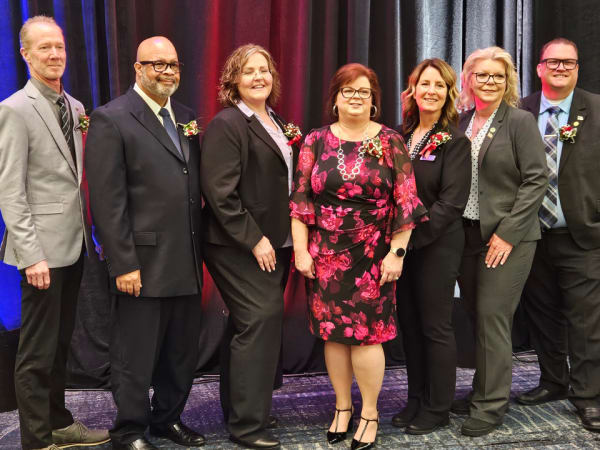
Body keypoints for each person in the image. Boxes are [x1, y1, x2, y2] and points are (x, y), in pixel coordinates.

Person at [290, 63, 426, 450]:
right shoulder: (315, 140)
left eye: (363, 92)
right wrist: (301, 250)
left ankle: (370, 412)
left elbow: (406, 202)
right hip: (325, 255)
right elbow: (301, 202)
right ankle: (342, 407)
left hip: (373, 255)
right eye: (348, 91)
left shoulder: (389, 141)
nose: (355, 97)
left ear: (374, 100)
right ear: (335, 98)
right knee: (334, 336)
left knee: (367, 339)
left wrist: (397, 253)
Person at [84, 37, 205, 450]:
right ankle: (129, 430)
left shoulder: (187, 117)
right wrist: (123, 263)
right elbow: (105, 199)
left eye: (173, 64)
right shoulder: (111, 118)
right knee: (136, 355)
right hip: (142, 262)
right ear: (138, 68)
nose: (167, 71)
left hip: (186, 258)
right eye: (157, 64)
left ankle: (167, 419)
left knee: (180, 352)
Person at [0, 16, 109, 450]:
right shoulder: (14, 109)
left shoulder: (76, 108)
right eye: (43, 48)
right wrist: (31, 256)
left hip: (74, 244)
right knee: (36, 352)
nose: (54, 54)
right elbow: (11, 191)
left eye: (59, 46)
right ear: (25, 54)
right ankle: (36, 439)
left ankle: (60, 423)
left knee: (62, 343)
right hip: (41, 252)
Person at [200, 44, 297, 449]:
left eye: (265, 70)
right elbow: (220, 194)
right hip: (238, 243)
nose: (259, 77)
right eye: (249, 71)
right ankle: (246, 426)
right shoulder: (228, 124)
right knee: (261, 318)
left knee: (249, 325)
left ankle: (244, 408)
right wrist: (255, 239)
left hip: (279, 242)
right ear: (233, 81)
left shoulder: (274, 121)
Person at [451, 46, 548, 437]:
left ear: (507, 81)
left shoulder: (520, 122)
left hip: (509, 237)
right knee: (477, 315)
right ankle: (482, 389)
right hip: (466, 235)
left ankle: (490, 406)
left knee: (493, 317)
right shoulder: (460, 123)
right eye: (482, 74)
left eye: (498, 75)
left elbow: (536, 180)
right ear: (468, 79)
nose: (489, 81)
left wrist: (507, 234)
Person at [517, 38, 600, 432]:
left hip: (581, 235)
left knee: (585, 322)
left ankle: (588, 397)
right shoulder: (520, 111)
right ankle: (553, 381)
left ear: (578, 68)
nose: (561, 68)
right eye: (554, 62)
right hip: (530, 236)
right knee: (542, 315)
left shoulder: (597, 109)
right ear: (539, 67)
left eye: (569, 62)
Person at [391, 59, 471, 435]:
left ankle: (438, 407)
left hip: (437, 245)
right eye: (425, 83)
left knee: (435, 326)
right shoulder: (399, 137)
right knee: (408, 324)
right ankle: (415, 399)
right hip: (401, 247)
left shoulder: (455, 141)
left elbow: (450, 205)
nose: (431, 91)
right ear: (413, 90)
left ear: (448, 93)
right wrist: (396, 244)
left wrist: (410, 242)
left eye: (440, 85)